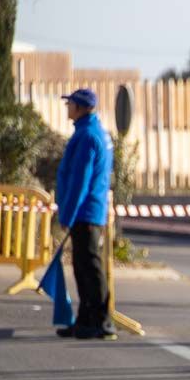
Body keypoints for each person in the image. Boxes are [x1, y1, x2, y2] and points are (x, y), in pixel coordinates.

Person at [55, 87, 115, 340]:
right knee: (82, 267)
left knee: (90, 267)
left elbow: (80, 179)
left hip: (85, 212)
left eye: (70, 104)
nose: (67, 107)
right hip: (86, 211)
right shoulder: (89, 132)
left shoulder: (88, 136)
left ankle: (101, 321)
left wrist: (67, 214)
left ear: (80, 108)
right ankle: (85, 319)